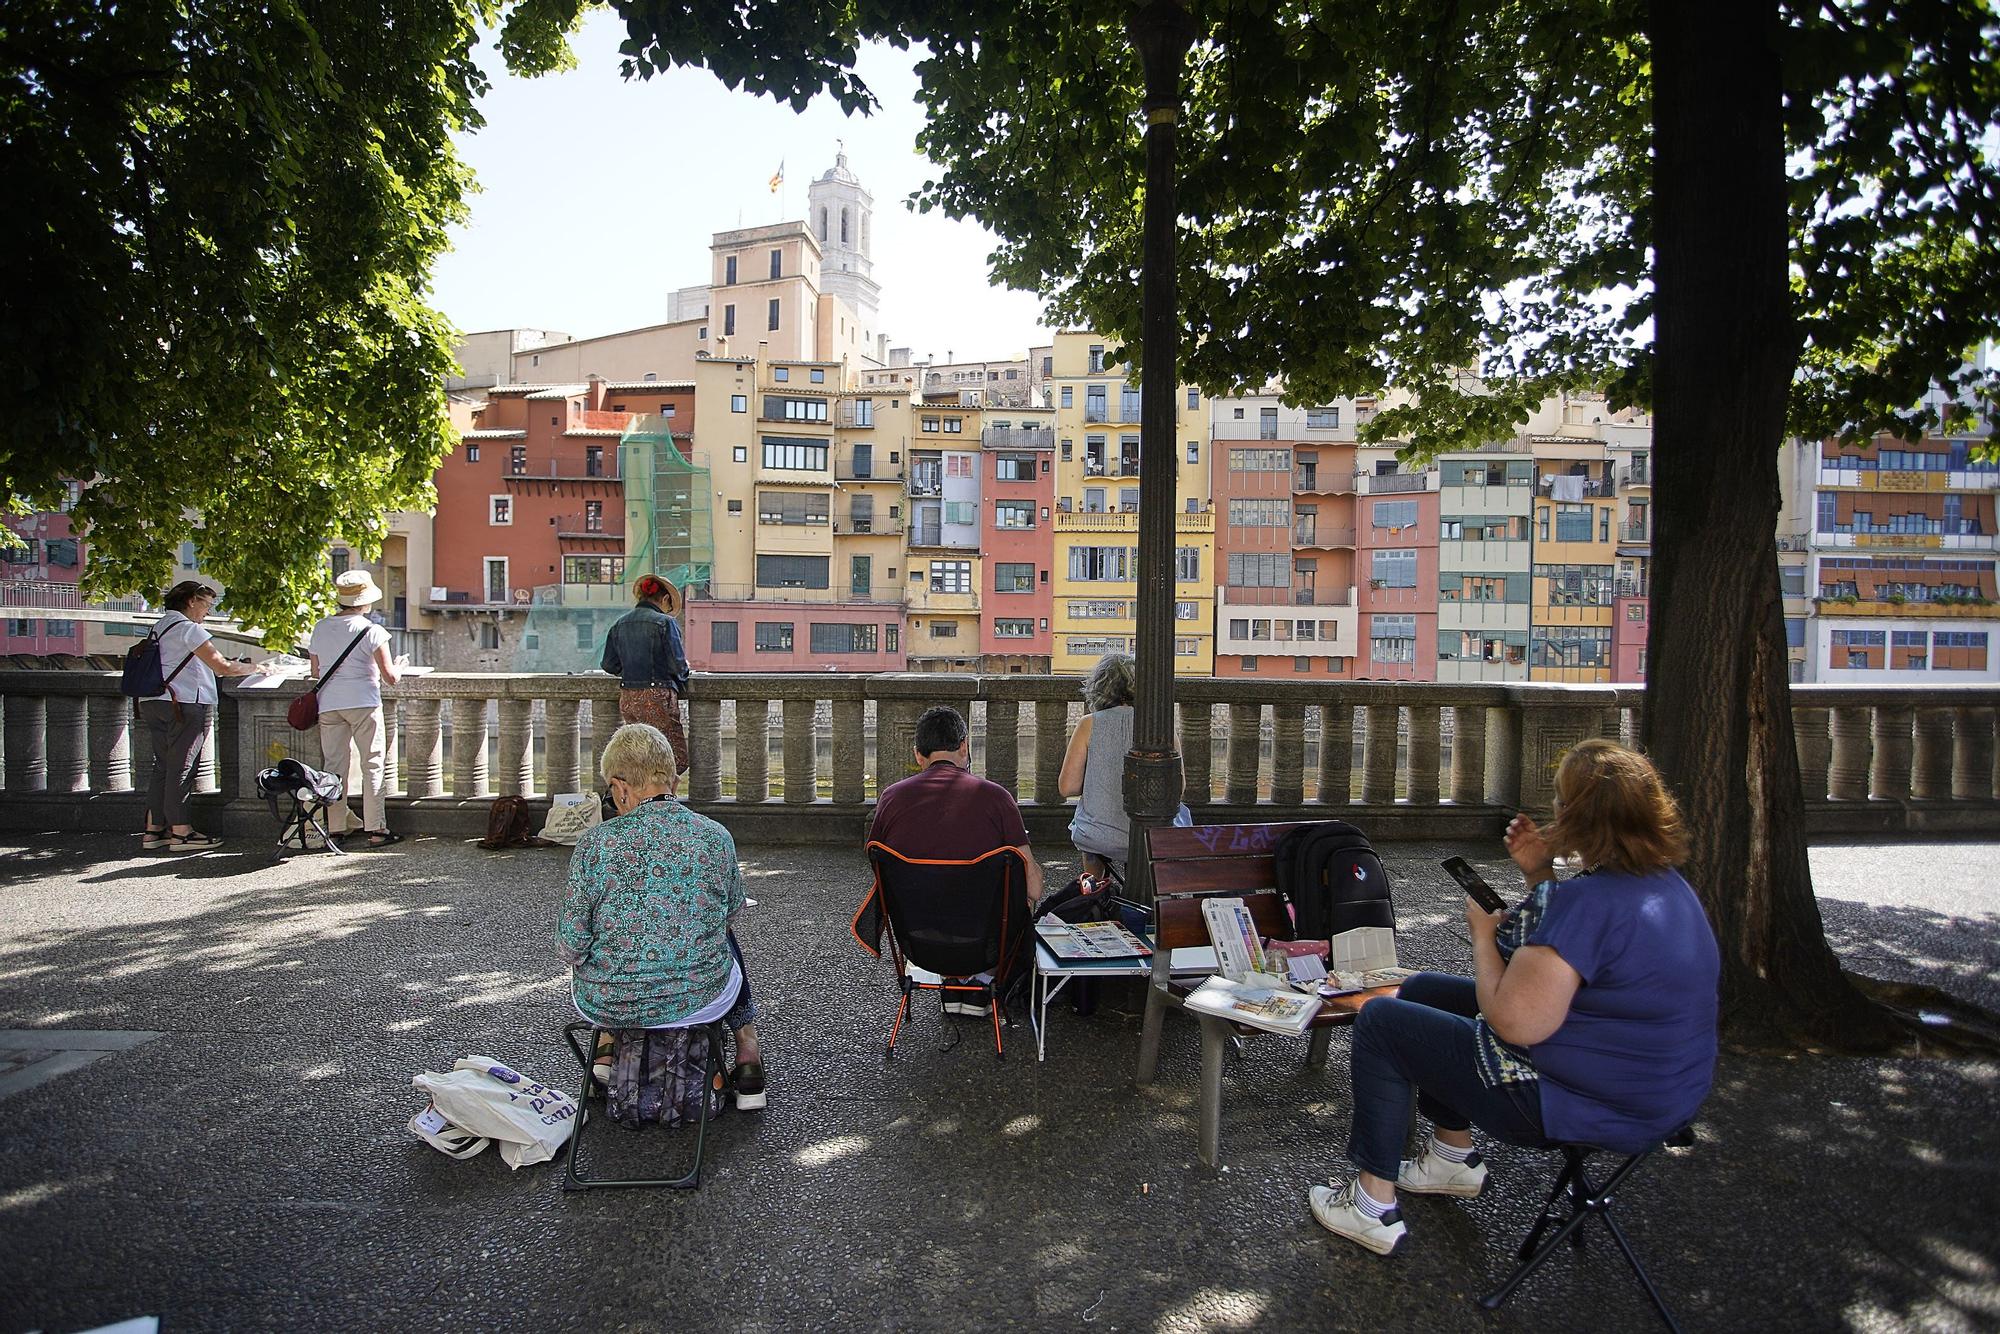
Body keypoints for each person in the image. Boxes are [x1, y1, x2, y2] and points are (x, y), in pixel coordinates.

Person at [1309, 739, 1720, 1257]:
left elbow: (1512, 1022)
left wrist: (1481, 935)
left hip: (1585, 1101)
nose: (1553, 808)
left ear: (1576, 815)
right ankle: (1449, 1158)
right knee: (1424, 991)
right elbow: (1558, 962)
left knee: (1383, 1022)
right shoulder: (1664, 885)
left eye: (1560, 800)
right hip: (1657, 1089)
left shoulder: (1587, 905)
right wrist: (1539, 875)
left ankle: (1371, 1207)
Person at [557, 723, 765, 1110]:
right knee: (723, 933)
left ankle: (605, 1049)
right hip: (699, 997)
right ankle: (747, 1050)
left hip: (611, 1001)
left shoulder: (594, 844)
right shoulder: (714, 835)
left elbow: (570, 945)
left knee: (603, 943)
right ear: (672, 780)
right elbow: (734, 910)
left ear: (620, 788)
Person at [869, 705, 1044, 1017]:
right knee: (1019, 895)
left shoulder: (891, 798)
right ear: (964, 746)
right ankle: (981, 981)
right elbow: (1034, 888)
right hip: (985, 944)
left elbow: (882, 877)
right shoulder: (996, 797)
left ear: (918, 755)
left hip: (919, 942)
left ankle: (955, 981)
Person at [140, 581, 256, 851]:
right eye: (207, 604)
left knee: (163, 767)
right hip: (183, 704)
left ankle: (154, 830)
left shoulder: (158, 627)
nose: (208, 611)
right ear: (192, 601)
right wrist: (258, 668)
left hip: (153, 701)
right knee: (181, 768)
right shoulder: (189, 630)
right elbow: (222, 667)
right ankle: (181, 833)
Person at [1058, 651, 1191, 881]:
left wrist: (1098, 780)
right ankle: (1143, 889)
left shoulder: (1088, 725)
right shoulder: (1162, 727)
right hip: (1152, 838)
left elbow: (1067, 787)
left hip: (1097, 836)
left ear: (1099, 687)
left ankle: (1094, 890)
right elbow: (1178, 788)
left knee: (1088, 828)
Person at [306, 570, 401, 848]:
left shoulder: (321, 627)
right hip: (363, 702)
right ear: (366, 601)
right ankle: (376, 828)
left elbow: (315, 670)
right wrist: (401, 668)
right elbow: (390, 677)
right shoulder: (372, 631)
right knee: (372, 764)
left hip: (329, 704)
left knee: (334, 766)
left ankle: (335, 827)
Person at [601, 573, 691, 778]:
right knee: (671, 756)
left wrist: (630, 671)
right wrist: (684, 673)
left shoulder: (619, 624)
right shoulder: (665, 623)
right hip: (657, 697)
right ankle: (662, 802)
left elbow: (608, 664)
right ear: (665, 599)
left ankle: (641, 800)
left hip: (629, 698)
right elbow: (677, 664)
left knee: (639, 755)